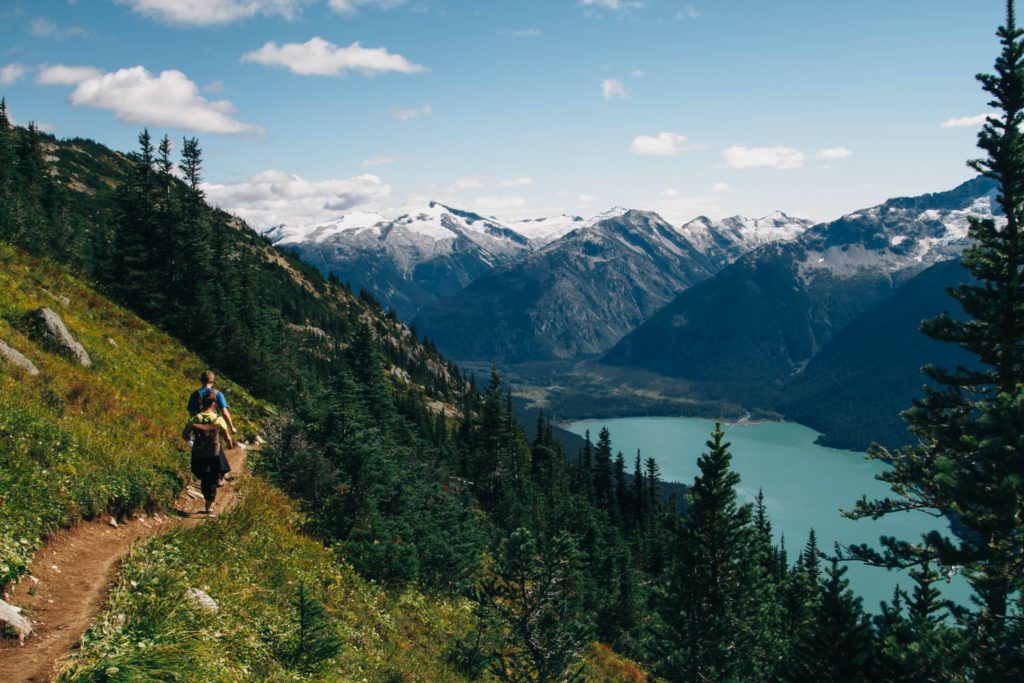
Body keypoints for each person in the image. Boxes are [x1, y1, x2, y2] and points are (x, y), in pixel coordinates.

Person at [182, 391, 234, 517]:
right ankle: (209, 507)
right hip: (213, 454)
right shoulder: (218, 419)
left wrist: (191, 441)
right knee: (212, 478)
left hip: (199, 453)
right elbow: (227, 437)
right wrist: (230, 445)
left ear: (201, 404)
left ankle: (208, 497)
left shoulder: (195, 418)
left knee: (204, 477)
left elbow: (184, 435)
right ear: (213, 404)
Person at [187, 370, 235, 484]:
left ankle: (202, 474)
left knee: (200, 447)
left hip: (199, 425)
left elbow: (191, 413)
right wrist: (231, 427)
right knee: (216, 446)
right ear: (212, 381)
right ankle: (218, 476)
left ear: (201, 380)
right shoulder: (217, 394)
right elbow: (224, 411)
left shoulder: (195, 394)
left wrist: (193, 425)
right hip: (214, 424)